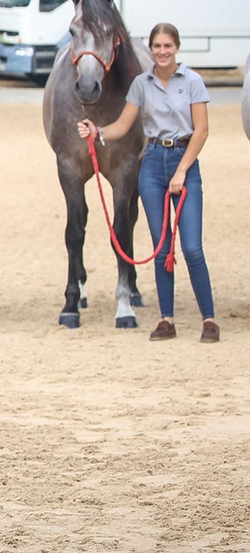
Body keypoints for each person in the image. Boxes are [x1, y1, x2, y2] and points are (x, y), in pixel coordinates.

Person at [77, 22, 217, 342]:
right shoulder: (142, 83)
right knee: (161, 247)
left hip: (184, 162)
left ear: (176, 47)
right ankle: (167, 319)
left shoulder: (193, 81)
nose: (162, 52)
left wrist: (182, 170)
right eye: (157, 47)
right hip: (152, 164)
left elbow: (202, 131)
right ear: (151, 50)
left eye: (168, 46)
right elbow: (124, 125)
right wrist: (98, 132)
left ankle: (208, 319)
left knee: (192, 247)